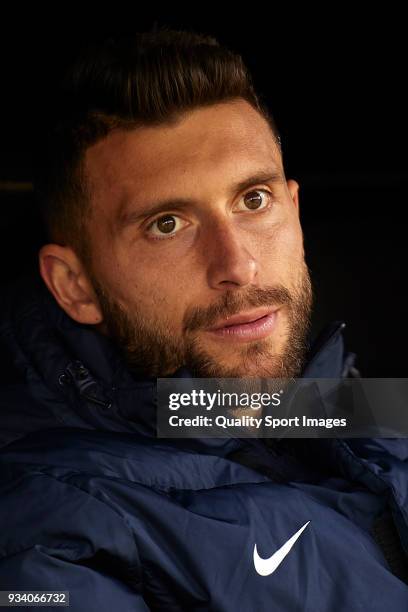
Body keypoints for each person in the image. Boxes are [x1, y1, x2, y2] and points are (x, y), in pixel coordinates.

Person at [0, 27, 407, 611]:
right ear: (75, 286)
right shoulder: (50, 528)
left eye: (253, 200)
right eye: (168, 223)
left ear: (293, 209)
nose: (237, 264)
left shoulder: (353, 403)